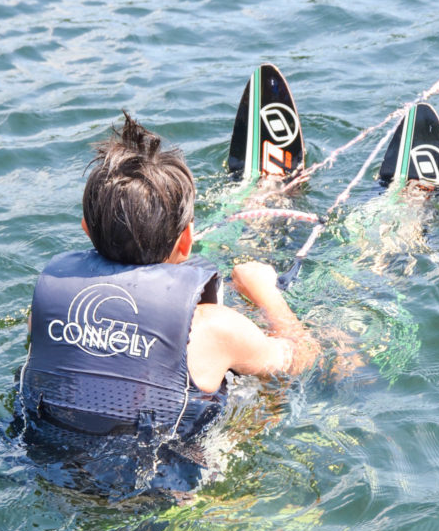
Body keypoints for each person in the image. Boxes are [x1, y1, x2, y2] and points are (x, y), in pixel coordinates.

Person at [17, 113, 320, 479]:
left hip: (50, 471)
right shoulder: (214, 329)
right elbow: (304, 358)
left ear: (86, 230)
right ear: (187, 239)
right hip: (161, 495)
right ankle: (268, 196)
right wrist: (266, 293)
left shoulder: (45, 312)